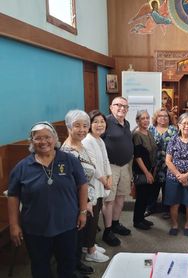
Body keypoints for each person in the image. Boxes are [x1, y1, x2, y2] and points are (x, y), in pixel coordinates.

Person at [8, 122, 88, 278]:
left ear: (55, 138)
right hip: (35, 228)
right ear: (32, 142)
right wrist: (14, 225)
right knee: (40, 267)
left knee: (67, 265)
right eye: (38, 138)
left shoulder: (69, 160)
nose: (43, 142)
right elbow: (13, 195)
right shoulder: (22, 167)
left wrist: (83, 211)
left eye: (47, 137)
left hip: (67, 225)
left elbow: (82, 185)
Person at [61, 110, 110, 271]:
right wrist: (86, 202)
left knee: (80, 233)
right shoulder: (68, 151)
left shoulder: (80, 144)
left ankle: (77, 263)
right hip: (76, 199)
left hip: (86, 197)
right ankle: (74, 267)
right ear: (69, 126)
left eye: (84, 126)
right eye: (77, 126)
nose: (82, 129)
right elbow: (71, 182)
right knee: (75, 234)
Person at [102, 96, 134, 246]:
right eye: (118, 105)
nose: (122, 108)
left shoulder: (126, 123)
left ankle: (115, 223)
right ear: (111, 107)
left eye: (125, 106)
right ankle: (107, 231)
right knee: (109, 200)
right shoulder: (105, 122)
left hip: (125, 166)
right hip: (110, 167)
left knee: (121, 197)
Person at [82, 110, 113, 262]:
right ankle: (90, 251)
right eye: (96, 122)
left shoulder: (99, 140)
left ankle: (89, 244)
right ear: (89, 125)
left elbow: (105, 160)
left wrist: (110, 176)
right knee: (91, 218)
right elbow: (92, 165)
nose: (100, 124)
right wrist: (104, 180)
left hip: (101, 183)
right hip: (93, 185)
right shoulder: (88, 141)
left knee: (95, 216)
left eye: (102, 121)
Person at [165, 113, 188, 236]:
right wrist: (179, 176)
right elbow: (168, 161)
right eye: (184, 123)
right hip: (173, 177)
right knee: (174, 202)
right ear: (179, 125)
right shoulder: (173, 140)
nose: (187, 126)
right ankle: (175, 224)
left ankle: (187, 225)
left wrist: (187, 175)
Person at [147, 108, 177, 218]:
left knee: (167, 187)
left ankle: (166, 209)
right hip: (154, 164)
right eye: (160, 116)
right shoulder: (150, 129)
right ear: (156, 118)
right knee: (153, 187)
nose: (163, 118)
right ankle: (150, 207)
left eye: (165, 116)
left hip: (169, 163)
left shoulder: (174, 130)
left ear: (169, 118)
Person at [132, 110, 157, 230]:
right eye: (143, 118)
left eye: (147, 118)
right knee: (141, 197)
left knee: (146, 195)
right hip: (142, 171)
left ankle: (141, 218)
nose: (146, 120)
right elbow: (138, 157)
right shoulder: (137, 134)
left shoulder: (148, 131)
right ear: (137, 120)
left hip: (150, 169)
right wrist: (147, 173)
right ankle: (137, 221)